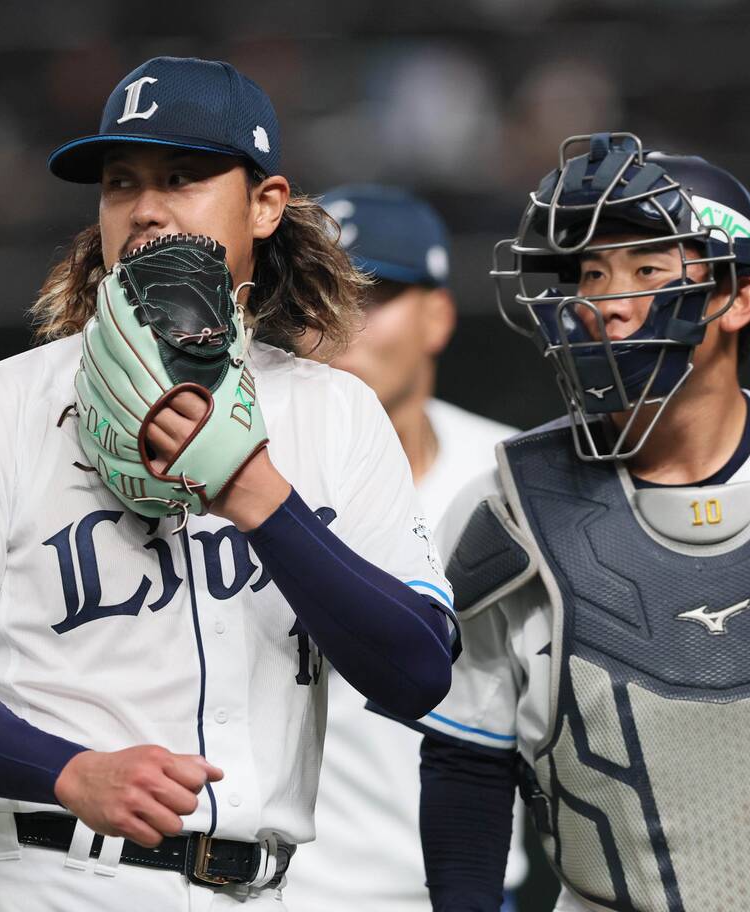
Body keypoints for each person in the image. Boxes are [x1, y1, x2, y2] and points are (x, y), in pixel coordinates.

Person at [0, 56, 458, 911]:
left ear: (265, 203)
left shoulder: (336, 414)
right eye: (119, 183)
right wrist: (65, 772)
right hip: (49, 877)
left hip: (259, 891)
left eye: (182, 177)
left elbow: (416, 673)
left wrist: (258, 496)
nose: (145, 207)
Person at [407, 132, 750, 911]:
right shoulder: (512, 507)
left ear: (738, 296)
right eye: (591, 273)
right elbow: (467, 765)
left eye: (646, 268)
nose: (610, 302)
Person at [284, 185, 527, 912]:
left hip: (467, 891)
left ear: (439, 316)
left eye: (374, 294)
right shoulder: (231, 476)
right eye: (319, 295)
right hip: (261, 891)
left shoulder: (508, 477)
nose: (342, 323)